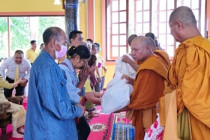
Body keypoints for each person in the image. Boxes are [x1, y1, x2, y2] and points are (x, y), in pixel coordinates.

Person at [24, 27, 85, 140]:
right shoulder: (47, 67)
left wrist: (72, 103)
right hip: (49, 130)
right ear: (53, 42)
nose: (65, 47)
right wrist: (77, 110)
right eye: (64, 43)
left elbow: (56, 94)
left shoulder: (47, 62)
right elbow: (56, 105)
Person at [159, 6, 210, 140]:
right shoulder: (205, 46)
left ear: (179, 25)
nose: (171, 33)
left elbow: (191, 92)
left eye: (171, 28)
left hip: (193, 118)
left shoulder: (193, 50)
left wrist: (165, 102)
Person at [117, 36, 170, 140]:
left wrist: (120, 105)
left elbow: (144, 96)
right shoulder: (153, 60)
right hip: (153, 106)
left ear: (147, 48)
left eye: (136, 50)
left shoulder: (151, 66)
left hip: (151, 109)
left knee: (149, 133)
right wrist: (132, 80)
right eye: (132, 49)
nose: (133, 53)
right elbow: (144, 84)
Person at [59, 45, 101, 140]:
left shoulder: (72, 69)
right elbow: (72, 97)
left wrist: (81, 80)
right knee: (80, 131)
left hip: (72, 107)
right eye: (85, 62)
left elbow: (79, 93)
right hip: (65, 108)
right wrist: (82, 81)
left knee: (84, 129)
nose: (86, 66)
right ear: (77, 58)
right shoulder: (63, 70)